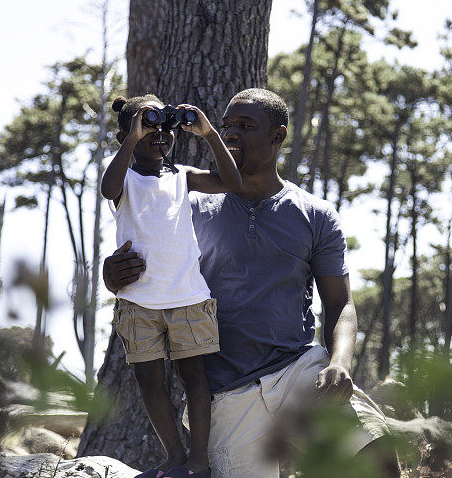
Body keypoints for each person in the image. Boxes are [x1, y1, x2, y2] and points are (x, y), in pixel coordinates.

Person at [104, 88, 397, 477]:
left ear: (278, 136)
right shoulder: (185, 204)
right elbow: (145, 252)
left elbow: (340, 304)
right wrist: (112, 275)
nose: (231, 135)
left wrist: (340, 362)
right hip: (224, 394)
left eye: (245, 126)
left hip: (298, 370)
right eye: (226, 127)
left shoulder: (316, 215)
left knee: (377, 460)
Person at [101, 94, 242, 478]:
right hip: (138, 302)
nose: (159, 135)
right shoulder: (125, 178)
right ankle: (175, 457)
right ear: (126, 136)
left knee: (195, 380)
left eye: (165, 129)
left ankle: (199, 461)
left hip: (187, 297)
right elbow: (106, 188)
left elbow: (231, 181)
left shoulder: (183, 176)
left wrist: (209, 133)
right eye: (149, 130)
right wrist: (133, 138)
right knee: (149, 383)